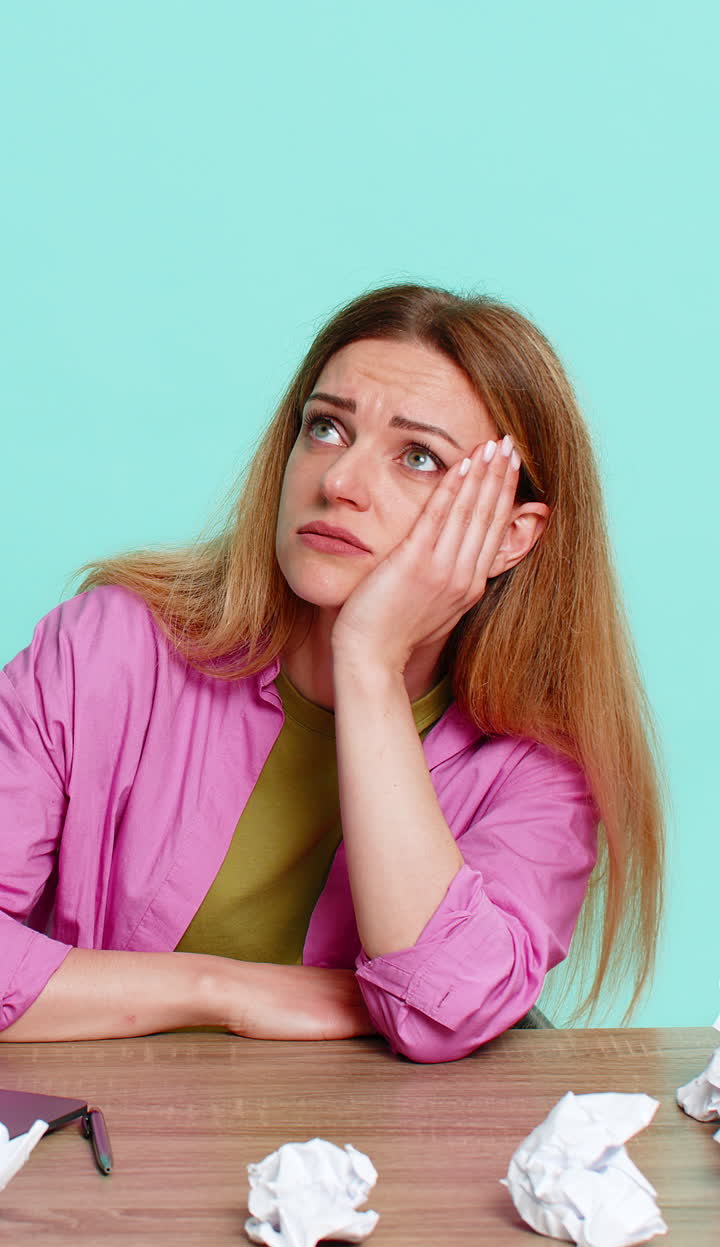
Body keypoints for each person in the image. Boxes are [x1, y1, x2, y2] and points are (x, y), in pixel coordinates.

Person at [0, 284, 663, 1063]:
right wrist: (223, 991)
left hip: (375, 1173)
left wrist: (371, 665)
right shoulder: (109, 650)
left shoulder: (538, 766)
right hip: (115, 1153)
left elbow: (446, 1011)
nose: (340, 481)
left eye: (417, 457)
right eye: (326, 428)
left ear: (510, 536)